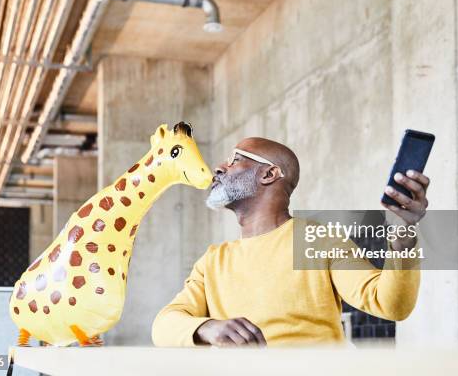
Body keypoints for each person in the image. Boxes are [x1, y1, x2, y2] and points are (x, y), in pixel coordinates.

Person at [151, 137, 429, 347]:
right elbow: (163, 325)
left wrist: (403, 234)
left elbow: (391, 305)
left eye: (235, 159)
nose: (219, 168)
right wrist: (207, 327)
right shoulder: (213, 261)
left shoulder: (318, 240)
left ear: (269, 174)